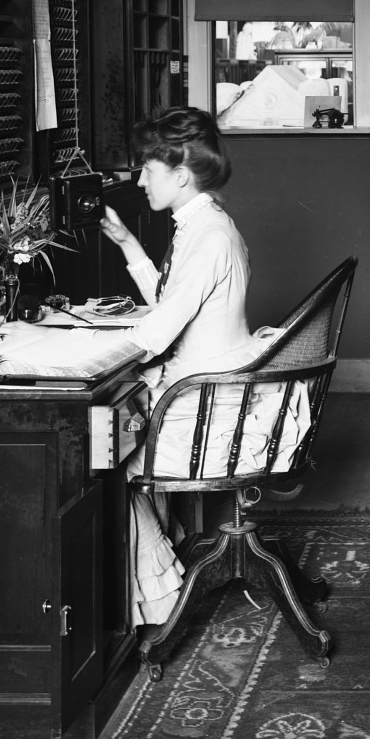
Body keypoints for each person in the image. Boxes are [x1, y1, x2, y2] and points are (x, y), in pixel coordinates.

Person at [98, 107, 288, 629]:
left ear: (180, 175)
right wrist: (132, 248)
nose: (140, 180)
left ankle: (158, 595)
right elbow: (171, 303)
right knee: (118, 427)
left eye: (148, 170)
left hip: (209, 411)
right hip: (210, 395)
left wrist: (77, 354)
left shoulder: (208, 237)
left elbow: (158, 333)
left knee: (102, 455)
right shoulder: (205, 224)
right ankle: (168, 562)